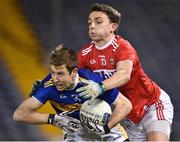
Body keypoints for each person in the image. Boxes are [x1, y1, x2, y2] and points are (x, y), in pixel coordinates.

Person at [76, 3, 174, 141]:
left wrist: (100, 86)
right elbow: (72, 78)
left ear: (113, 27)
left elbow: (124, 74)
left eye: (98, 22)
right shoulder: (84, 55)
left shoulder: (123, 47)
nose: (92, 26)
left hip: (152, 104)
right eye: (90, 22)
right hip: (128, 115)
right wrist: (48, 83)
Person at [13, 44, 132, 141]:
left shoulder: (92, 81)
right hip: (75, 133)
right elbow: (19, 114)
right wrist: (53, 119)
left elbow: (125, 104)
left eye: (60, 74)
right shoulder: (48, 86)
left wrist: (106, 127)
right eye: (52, 72)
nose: (55, 79)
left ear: (74, 72)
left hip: (104, 128)